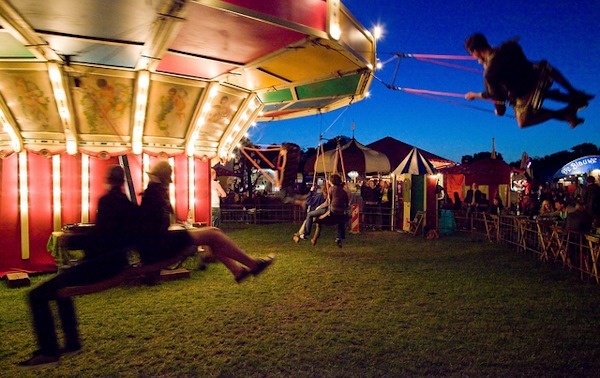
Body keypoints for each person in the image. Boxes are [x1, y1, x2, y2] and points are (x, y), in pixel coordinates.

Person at [19, 165, 138, 367]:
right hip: (116, 262)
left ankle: (49, 352)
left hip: (102, 265)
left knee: (37, 295)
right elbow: (113, 234)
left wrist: (73, 240)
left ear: (109, 180)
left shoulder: (108, 201)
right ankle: (72, 342)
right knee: (63, 288)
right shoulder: (128, 205)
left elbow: (104, 239)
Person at [138, 161, 274, 284]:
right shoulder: (154, 194)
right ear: (163, 179)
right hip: (160, 245)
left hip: (159, 242)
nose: (169, 184)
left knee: (213, 238)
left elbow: (154, 225)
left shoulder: (153, 193)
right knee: (214, 234)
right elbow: (154, 227)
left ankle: (238, 271)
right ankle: (253, 265)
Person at [464, 33, 594, 128]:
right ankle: (573, 93)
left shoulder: (490, 73)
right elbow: (504, 62)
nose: (473, 57)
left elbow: (498, 98)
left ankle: (565, 114)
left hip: (524, 91)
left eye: (472, 54)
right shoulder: (508, 47)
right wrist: (485, 61)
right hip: (537, 76)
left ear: (474, 51)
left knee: (522, 122)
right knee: (543, 68)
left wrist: (478, 98)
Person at [311, 174, 350, 247]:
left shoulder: (331, 189)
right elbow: (347, 202)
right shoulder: (344, 191)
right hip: (341, 213)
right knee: (341, 222)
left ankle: (314, 238)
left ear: (332, 181)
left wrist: (318, 208)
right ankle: (339, 238)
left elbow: (327, 202)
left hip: (332, 212)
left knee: (318, 219)